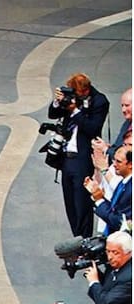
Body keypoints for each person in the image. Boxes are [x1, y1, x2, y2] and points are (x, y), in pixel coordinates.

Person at [48, 73, 111, 238]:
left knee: (82, 204)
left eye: (77, 93)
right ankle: (77, 239)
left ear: (85, 90)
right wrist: (58, 101)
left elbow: (92, 128)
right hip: (66, 158)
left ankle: (84, 240)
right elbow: (52, 114)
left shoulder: (99, 101)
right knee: (70, 204)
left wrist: (75, 111)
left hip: (82, 158)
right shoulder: (70, 98)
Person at [86, 145, 131, 235]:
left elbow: (121, 222)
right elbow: (114, 209)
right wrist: (97, 194)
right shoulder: (123, 182)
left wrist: (99, 200)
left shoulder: (131, 188)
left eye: (119, 162)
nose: (114, 165)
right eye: (114, 160)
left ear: (130, 165)